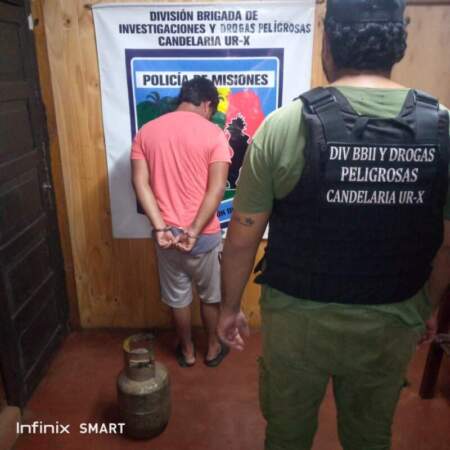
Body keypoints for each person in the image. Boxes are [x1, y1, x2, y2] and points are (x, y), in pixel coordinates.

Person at [218, 0, 450, 448]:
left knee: (286, 435)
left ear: (328, 43)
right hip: (393, 317)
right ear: (398, 43)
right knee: (369, 436)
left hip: (298, 322)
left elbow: (242, 237)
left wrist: (229, 308)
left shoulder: (283, 126)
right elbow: (446, 245)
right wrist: (426, 307)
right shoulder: (442, 128)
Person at [132, 77, 232, 368]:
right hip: (204, 237)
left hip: (167, 236)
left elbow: (140, 183)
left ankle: (187, 351)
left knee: (178, 299)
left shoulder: (146, 132)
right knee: (210, 297)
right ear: (207, 104)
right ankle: (212, 348)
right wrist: (195, 230)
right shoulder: (214, 135)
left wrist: (161, 227)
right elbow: (217, 189)